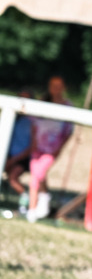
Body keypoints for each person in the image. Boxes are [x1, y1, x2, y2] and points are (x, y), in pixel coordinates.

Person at [26, 76, 75, 222]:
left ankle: (32, 209)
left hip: (52, 147)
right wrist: (33, 141)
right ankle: (43, 197)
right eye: (53, 85)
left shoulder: (68, 106)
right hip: (39, 145)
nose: (56, 88)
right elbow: (34, 123)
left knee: (37, 174)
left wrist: (60, 148)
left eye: (59, 85)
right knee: (37, 174)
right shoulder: (43, 102)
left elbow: (68, 131)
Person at [4, 89, 36, 214]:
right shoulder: (12, 116)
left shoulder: (32, 122)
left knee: (13, 178)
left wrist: (13, 159)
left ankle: (26, 202)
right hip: (9, 155)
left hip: (23, 157)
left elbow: (32, 146)